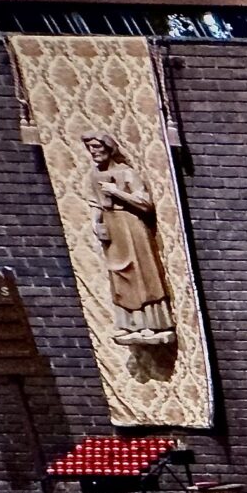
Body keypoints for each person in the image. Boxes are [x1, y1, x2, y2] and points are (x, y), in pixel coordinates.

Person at [83, 132, 176, 363]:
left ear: (108, 147)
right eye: (90, 148)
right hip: (112, 228)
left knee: (141, 274)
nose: (94, 152)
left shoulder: (126, 173)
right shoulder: (95, 175)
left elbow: (145, 203)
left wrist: (116, 192)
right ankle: (129, 323)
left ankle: (152, 322)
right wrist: (97, 224)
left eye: (97, 146)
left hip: (130, 225)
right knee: (119, 275)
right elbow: (95, 203)